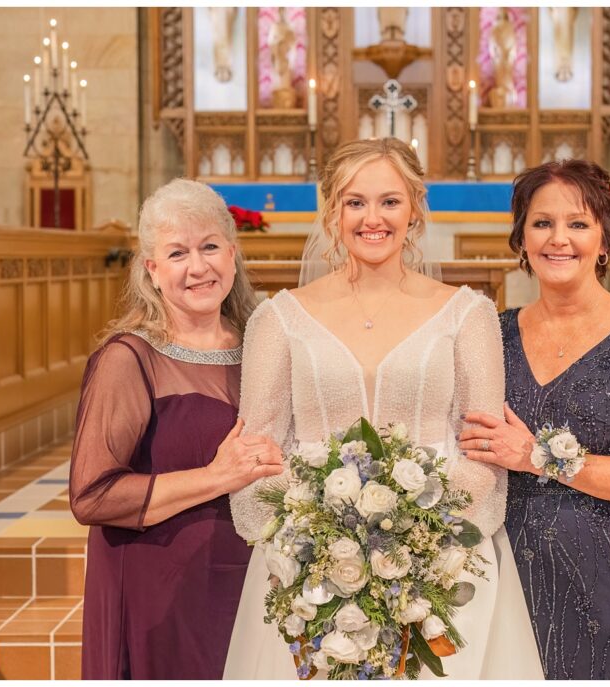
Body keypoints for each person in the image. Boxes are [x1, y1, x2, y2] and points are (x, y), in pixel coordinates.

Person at [223, 138, 543, 679]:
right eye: (355, 202)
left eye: (390, 201)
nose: (373, 219)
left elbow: (485, 449)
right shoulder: (278, 320)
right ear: (331, 212)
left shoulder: (468, 315)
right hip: (310, 570)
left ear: (415, 209)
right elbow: (257, 452)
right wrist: (313, 541)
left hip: (444, 565)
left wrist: (417, 543)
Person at [459, 159, 610, 679]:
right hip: (513, 584)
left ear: (605, 241)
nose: (558, 239)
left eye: (578, 223)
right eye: (542, 223)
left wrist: (536, 456)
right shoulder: (494, 335)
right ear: (521, 240)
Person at [69, 178, 283, 679]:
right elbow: (92, 496)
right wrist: (216, 476)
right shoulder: (128, 359)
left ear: (232, 253)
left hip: (249, 582)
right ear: (152, 269)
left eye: (210, 246)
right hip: (157, 590)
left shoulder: (264, 344)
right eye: (177, 253)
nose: (198, 267)